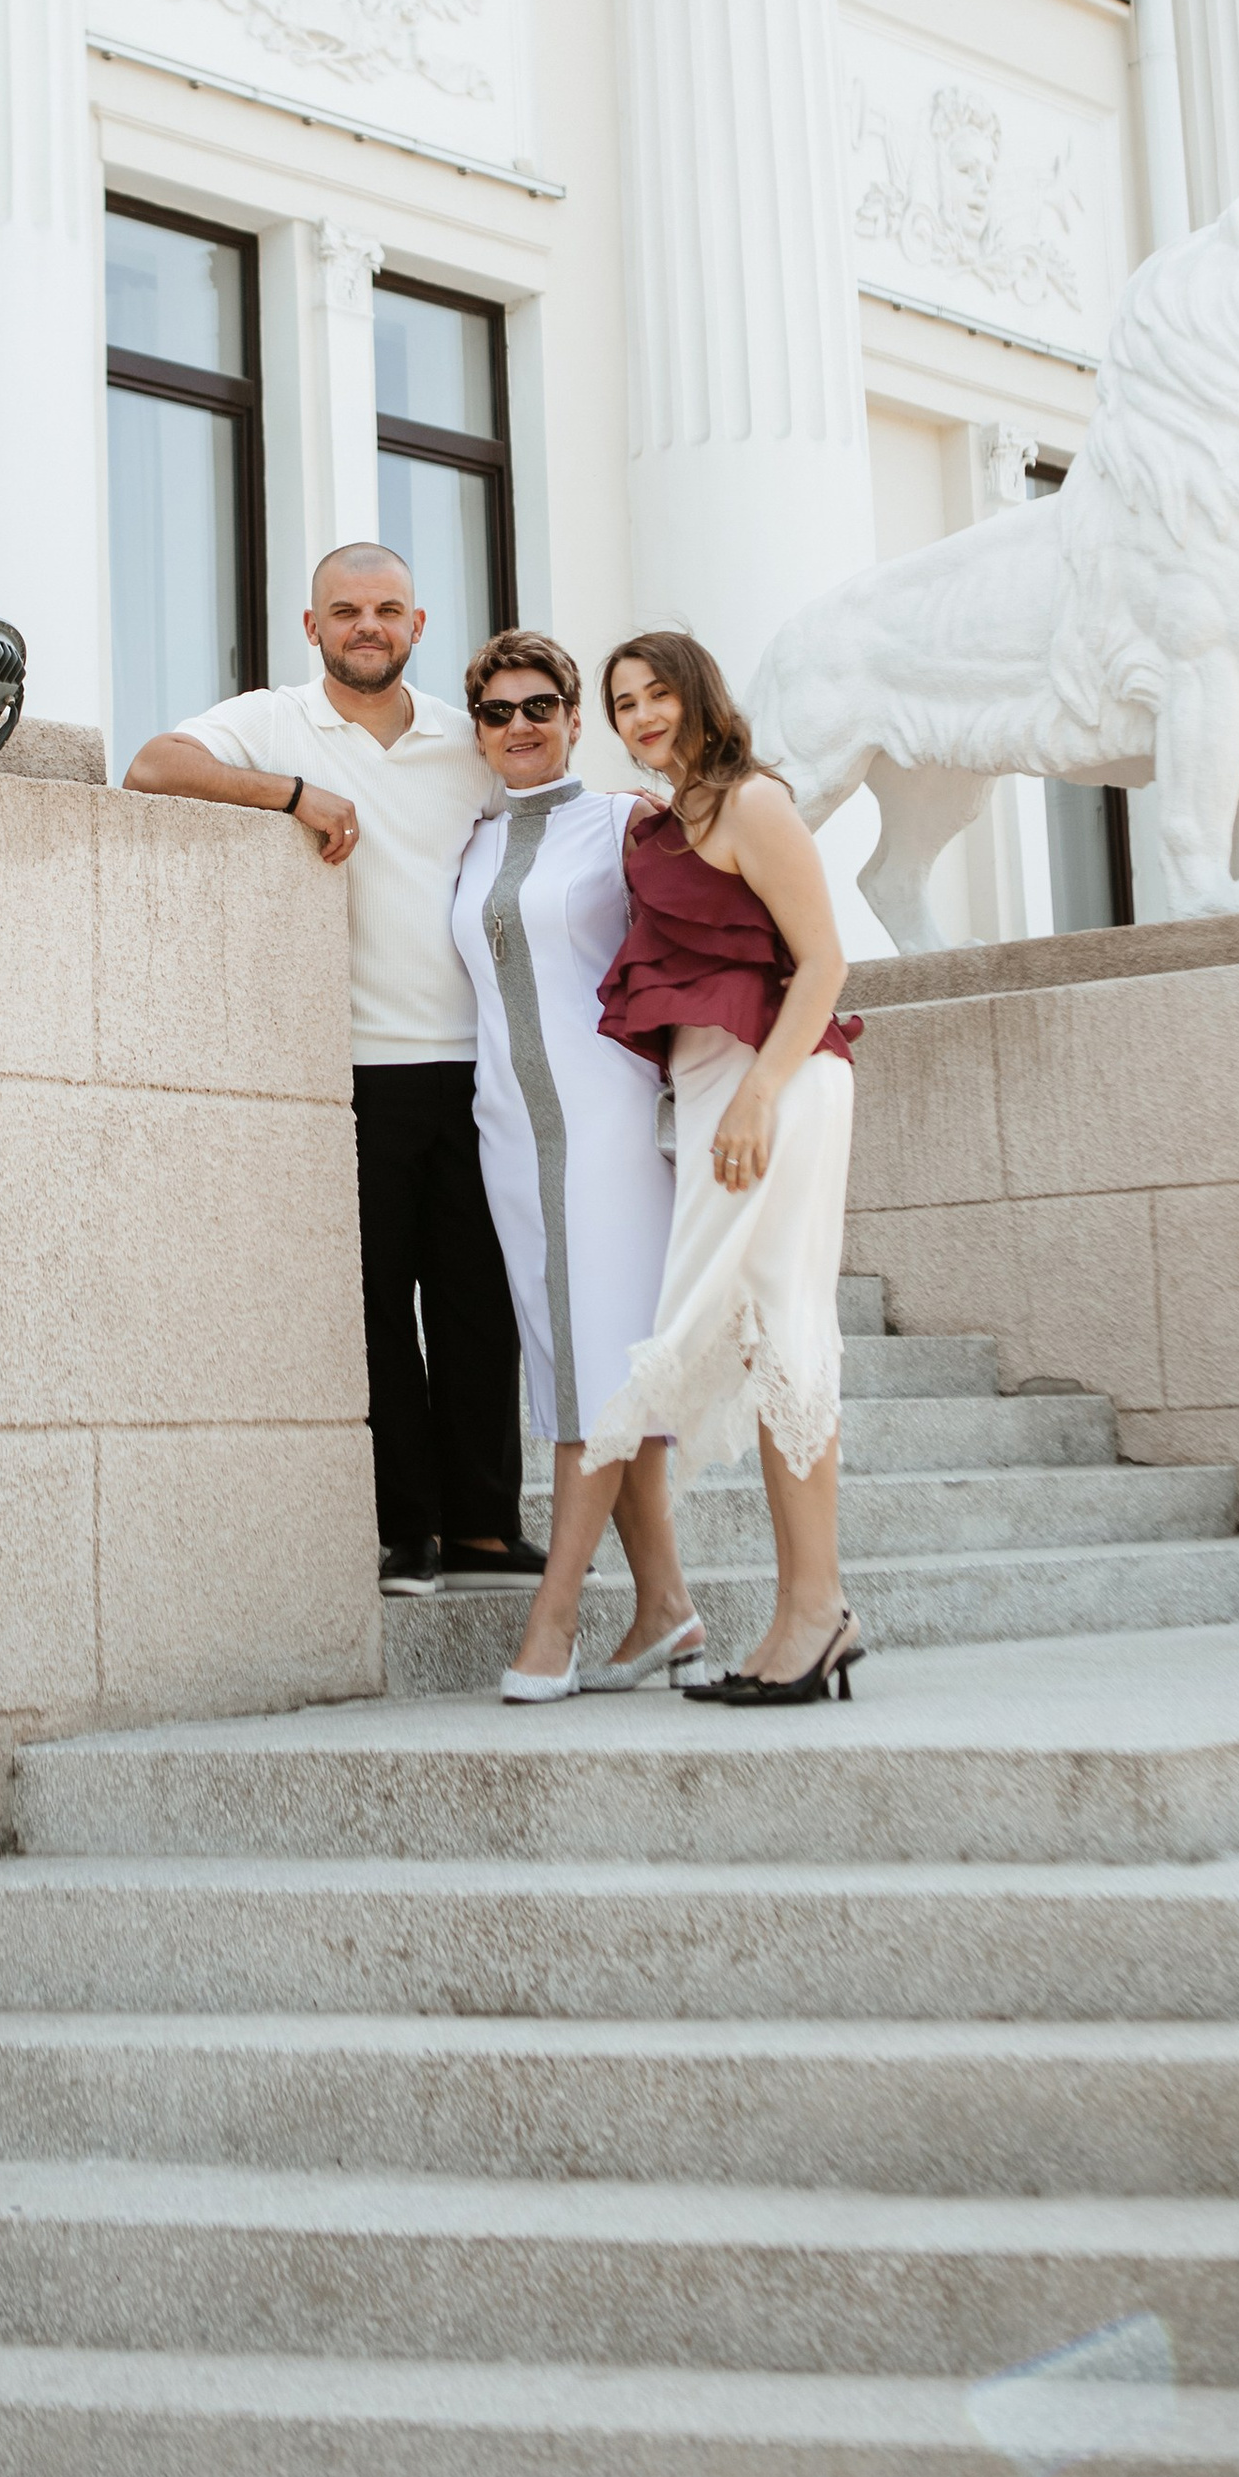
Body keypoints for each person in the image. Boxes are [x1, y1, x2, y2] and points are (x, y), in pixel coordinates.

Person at [121, 544, 543, 1598]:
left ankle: (486, 1527)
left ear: (418, 625)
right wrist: (291, 792)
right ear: (312, 628)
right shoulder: (272, 719)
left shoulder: (469, 741)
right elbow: (152, 767)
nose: (369, 626)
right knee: (374, 1310)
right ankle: (406, 1530)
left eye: (388, 610)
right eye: (346, 610)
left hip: (478, 1069)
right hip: (356, 1071)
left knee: (480, 1302)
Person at [585, 629, 866, 1707]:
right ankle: (812, 1610)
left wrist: (757, 1094)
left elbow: (824, 961)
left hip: (778, 1085)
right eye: (623, 703)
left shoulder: (752, 804)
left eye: (657, 693)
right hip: (715, 1092)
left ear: (699, 696)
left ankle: (815, 1611)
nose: (642, 716)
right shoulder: (659, 826)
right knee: (755, 1334)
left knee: (785, 1325)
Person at [451, 632, 705, 1705]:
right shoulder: (470, 842)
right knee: (587, 1364)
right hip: (509, 1133)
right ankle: (666, 1611)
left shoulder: (624, 823)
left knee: (591, 1373)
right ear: (479, 731)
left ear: (573, 718)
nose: (521, 726)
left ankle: (553, 1619)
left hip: (603, 1129)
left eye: (541, 706)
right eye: (499, 712)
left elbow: (706, 934)